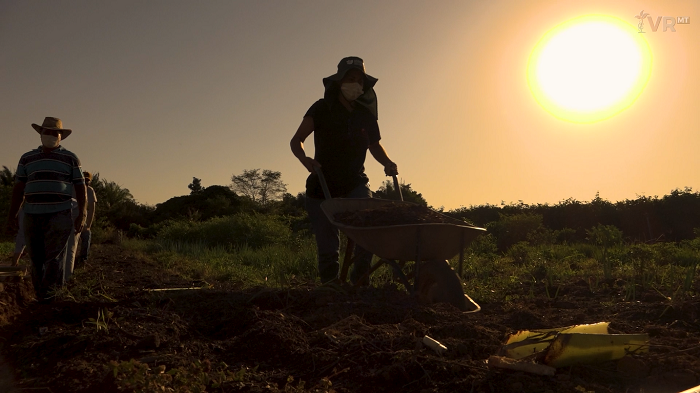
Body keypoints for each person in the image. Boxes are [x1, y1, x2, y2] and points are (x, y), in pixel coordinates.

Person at [290, 56, 399, 285]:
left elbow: (374, 145)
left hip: (355, 184)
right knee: (328, 244)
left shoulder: (365, 115)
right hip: (322, 185)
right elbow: (297, 140)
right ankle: (330, 287)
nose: (355, 84)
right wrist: (305, 160)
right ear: (339, 81)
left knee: (367, 231)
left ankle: (360, 282)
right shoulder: (322, 108)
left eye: (359, 81)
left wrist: (387, 162)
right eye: (351, 79)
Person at [5, 117, 86, 302]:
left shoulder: (70, 158)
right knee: (35, 259)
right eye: (46, 132)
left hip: (60, 214)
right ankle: (40, 296)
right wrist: (12, 216)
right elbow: (18, 189)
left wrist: (82, 214)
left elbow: (80, 188)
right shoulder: (27, 158)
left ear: (61, 136)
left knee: (54, 258)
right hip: (32, 214)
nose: (50, 135)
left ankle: (50, 298)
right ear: (40, 134)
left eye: (54, 132)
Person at [77, 171, 97, 266]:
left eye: (87, 180)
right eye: (83, 179)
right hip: (72, 218)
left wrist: (88, 225)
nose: (85, 181)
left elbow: (92, 209)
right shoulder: (74, 188)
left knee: (87, 235)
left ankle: (83, 259)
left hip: (83, 218)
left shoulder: (90, 191)